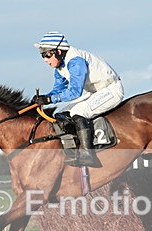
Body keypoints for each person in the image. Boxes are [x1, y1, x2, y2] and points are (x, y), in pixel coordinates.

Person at [32, 31, 124, 167]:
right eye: (42, 56)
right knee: (61, 114)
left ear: (58, 51)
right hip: (95, 92)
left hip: (111, 89)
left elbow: (75, 92)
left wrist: (49, 100)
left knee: (79, 112)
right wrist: (44, 98)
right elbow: (59, 90)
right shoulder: (60, 67)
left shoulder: (75, 61)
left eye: (47, 55)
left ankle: (88, 154)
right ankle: (74, 151)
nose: (45, 59)